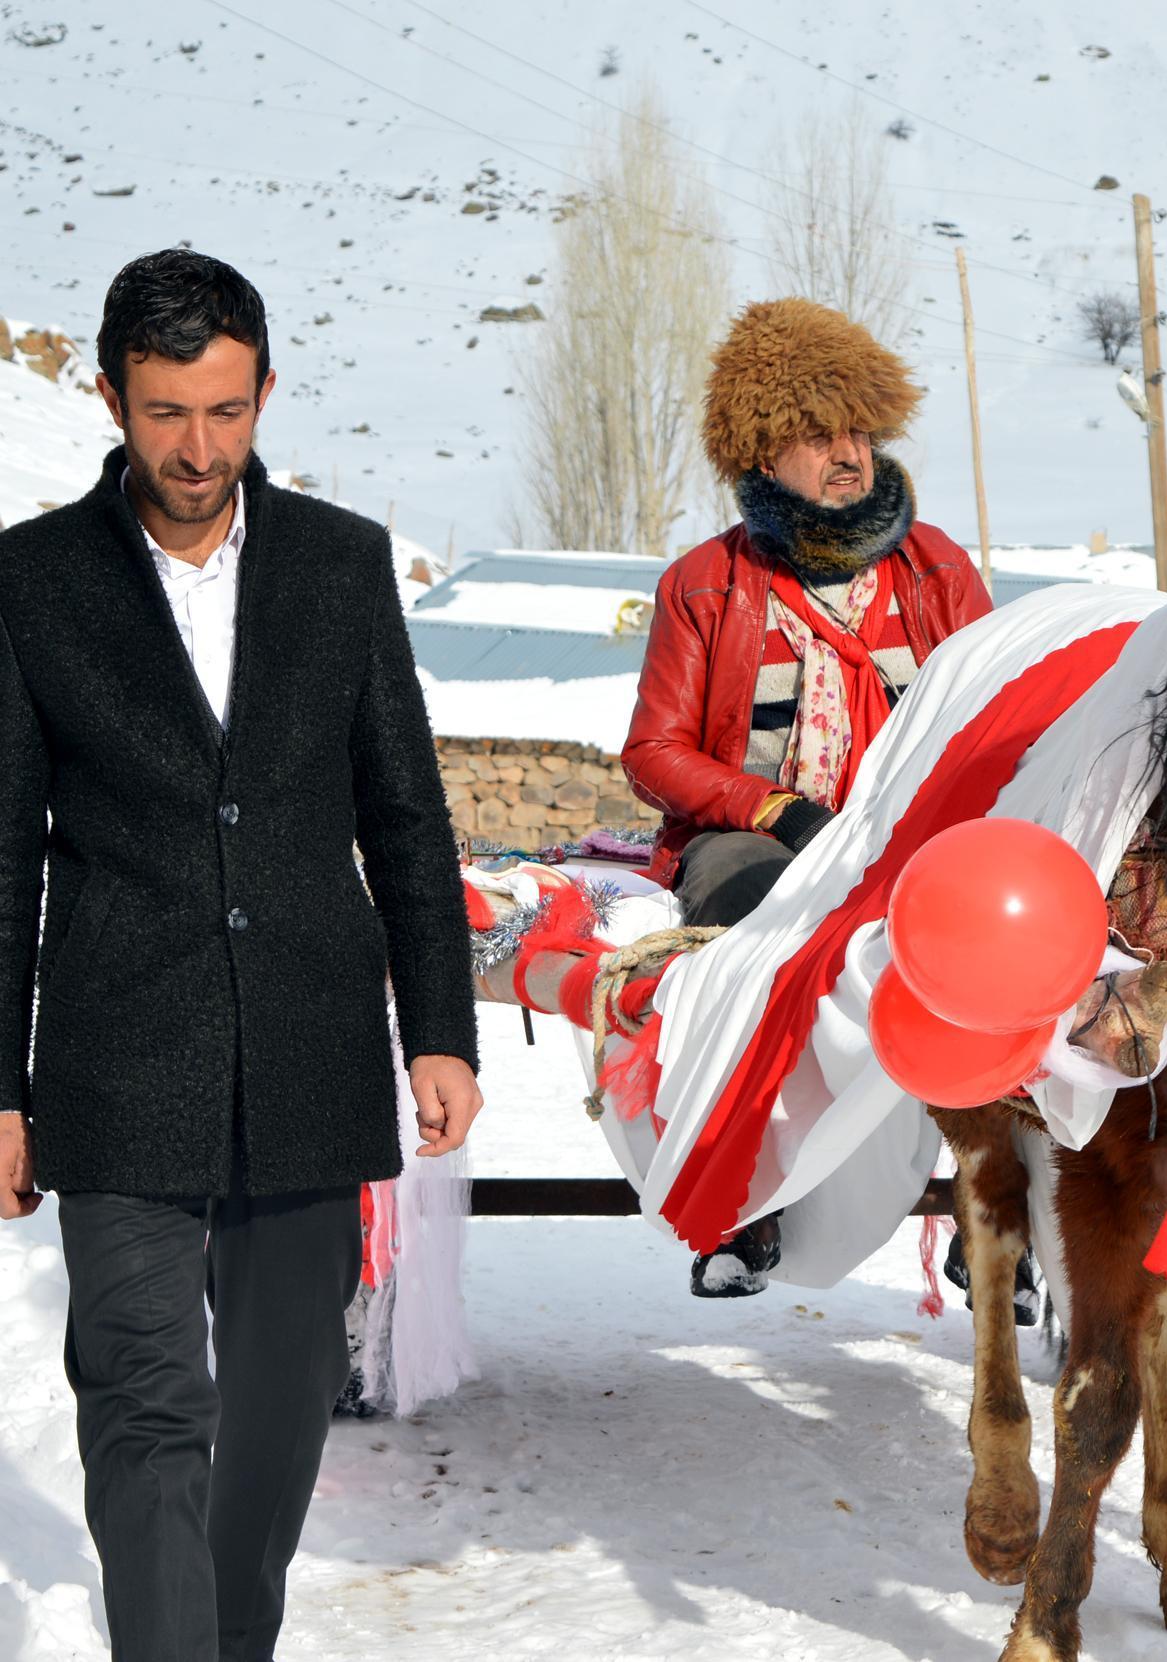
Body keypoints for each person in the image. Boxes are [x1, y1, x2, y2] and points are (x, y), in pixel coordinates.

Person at [0, 249, 482, 1662]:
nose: (198, 449)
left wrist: (438, 1026)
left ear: (265, 390)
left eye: (224, 410)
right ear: (110, 397)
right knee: (145, 1409)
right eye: (163, 413)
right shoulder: (29, 582)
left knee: (269, 1432)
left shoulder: (341, 563)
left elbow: (403, 809)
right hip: (116, 1058)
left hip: (310, 1053)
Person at [622, 297, 992, 1294]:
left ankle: (1001, 1212)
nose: (848, 455)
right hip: (759, 842)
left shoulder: (940, 570)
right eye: (817, 434)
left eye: (859, 431)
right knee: (753, 921)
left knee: (1002, 942)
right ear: (760, 453)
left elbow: (997, 716)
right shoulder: (703, 583)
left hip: (912, 839)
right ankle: (746, 1208)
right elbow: (653, 751)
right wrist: (773, 810)